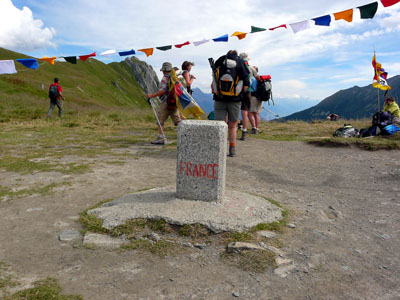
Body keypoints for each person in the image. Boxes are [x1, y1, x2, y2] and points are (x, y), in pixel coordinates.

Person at [211, 50, 250, 157]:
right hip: (235, 100)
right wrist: (240, 95)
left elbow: (214, 78)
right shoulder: (240, 62)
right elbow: (246, 85)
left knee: (219, 124)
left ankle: (218, 148)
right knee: (233, 126)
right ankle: (232, 149)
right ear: (236, 55)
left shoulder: (220, 60)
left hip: (219, 98)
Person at [146, 62, 181, 145]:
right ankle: (186, 135)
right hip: (175, 102)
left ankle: (161, 138)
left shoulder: (165, 78)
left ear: (165, 70)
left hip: (166, 102)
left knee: (160, 120)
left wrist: (152, 95)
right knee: (177, 121)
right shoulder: (175, 78)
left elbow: (163, 91)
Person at [238, 53, 258, 140]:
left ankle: (232, 130)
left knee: (232, 110)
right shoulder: (251, 68)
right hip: (248, 91)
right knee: (245, 112)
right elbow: (258, 78)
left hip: (237, 90)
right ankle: (244, 132)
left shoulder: (237, 66)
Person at [247, 66, 263, 135]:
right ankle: (257, 128)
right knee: (256, 114)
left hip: (252, 97)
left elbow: (248, 86)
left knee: (250, 113)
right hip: (260, 97)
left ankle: (254, 129)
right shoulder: (260, 79)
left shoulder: (252, 78)